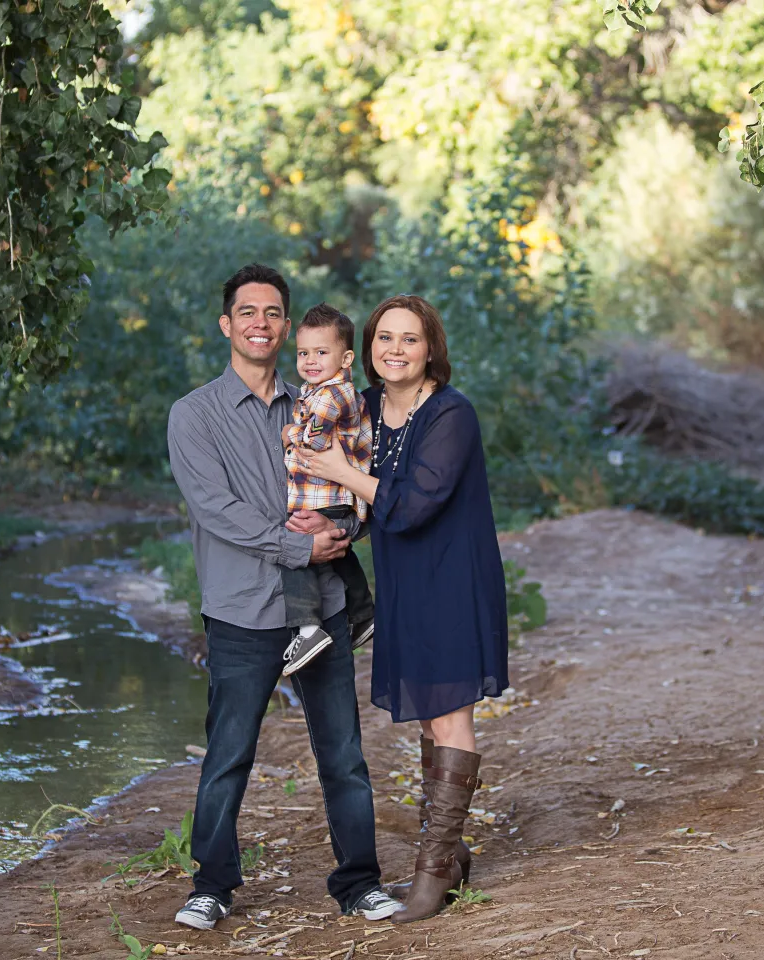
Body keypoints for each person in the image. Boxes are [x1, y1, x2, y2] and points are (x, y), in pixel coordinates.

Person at [166, 264, 402, 930]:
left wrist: (345, 528)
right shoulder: (194, 415)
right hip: (241, 612)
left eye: (273, 313)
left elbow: (357, 476)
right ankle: (211, 886)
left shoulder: (320, 400)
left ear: (288, 326)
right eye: (248, 312)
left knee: (344, 755)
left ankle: (359, 884)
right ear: (226, 324)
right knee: (229, 754)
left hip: (321, 608)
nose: (260, 324)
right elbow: (217, 510)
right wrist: (300, 546)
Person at [296, 293, 509, 923]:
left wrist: (340, 469)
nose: (394, 349)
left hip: (452, 581)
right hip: (403, 584)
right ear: (367, 349)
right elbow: (357, 497)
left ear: (430, 348)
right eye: (383, 338)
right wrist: (324, 514)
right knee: (426, 719)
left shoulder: (451, 414)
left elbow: (413, 504)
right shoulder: (363, 407)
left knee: (448, 718)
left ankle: (433, 870)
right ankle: (450, 849)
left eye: (408, 339)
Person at [278, 302, 376, 676]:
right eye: (304, 353)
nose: (310, 360)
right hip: (327, 496)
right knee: (335, 553)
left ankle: (307, 629)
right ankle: (365, 613)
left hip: (331, 495)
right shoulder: (317, 390)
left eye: (321, 352)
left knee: (295, 548)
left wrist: (290, 435)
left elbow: (315, 438)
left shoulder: (334, 394)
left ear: (346, 357)